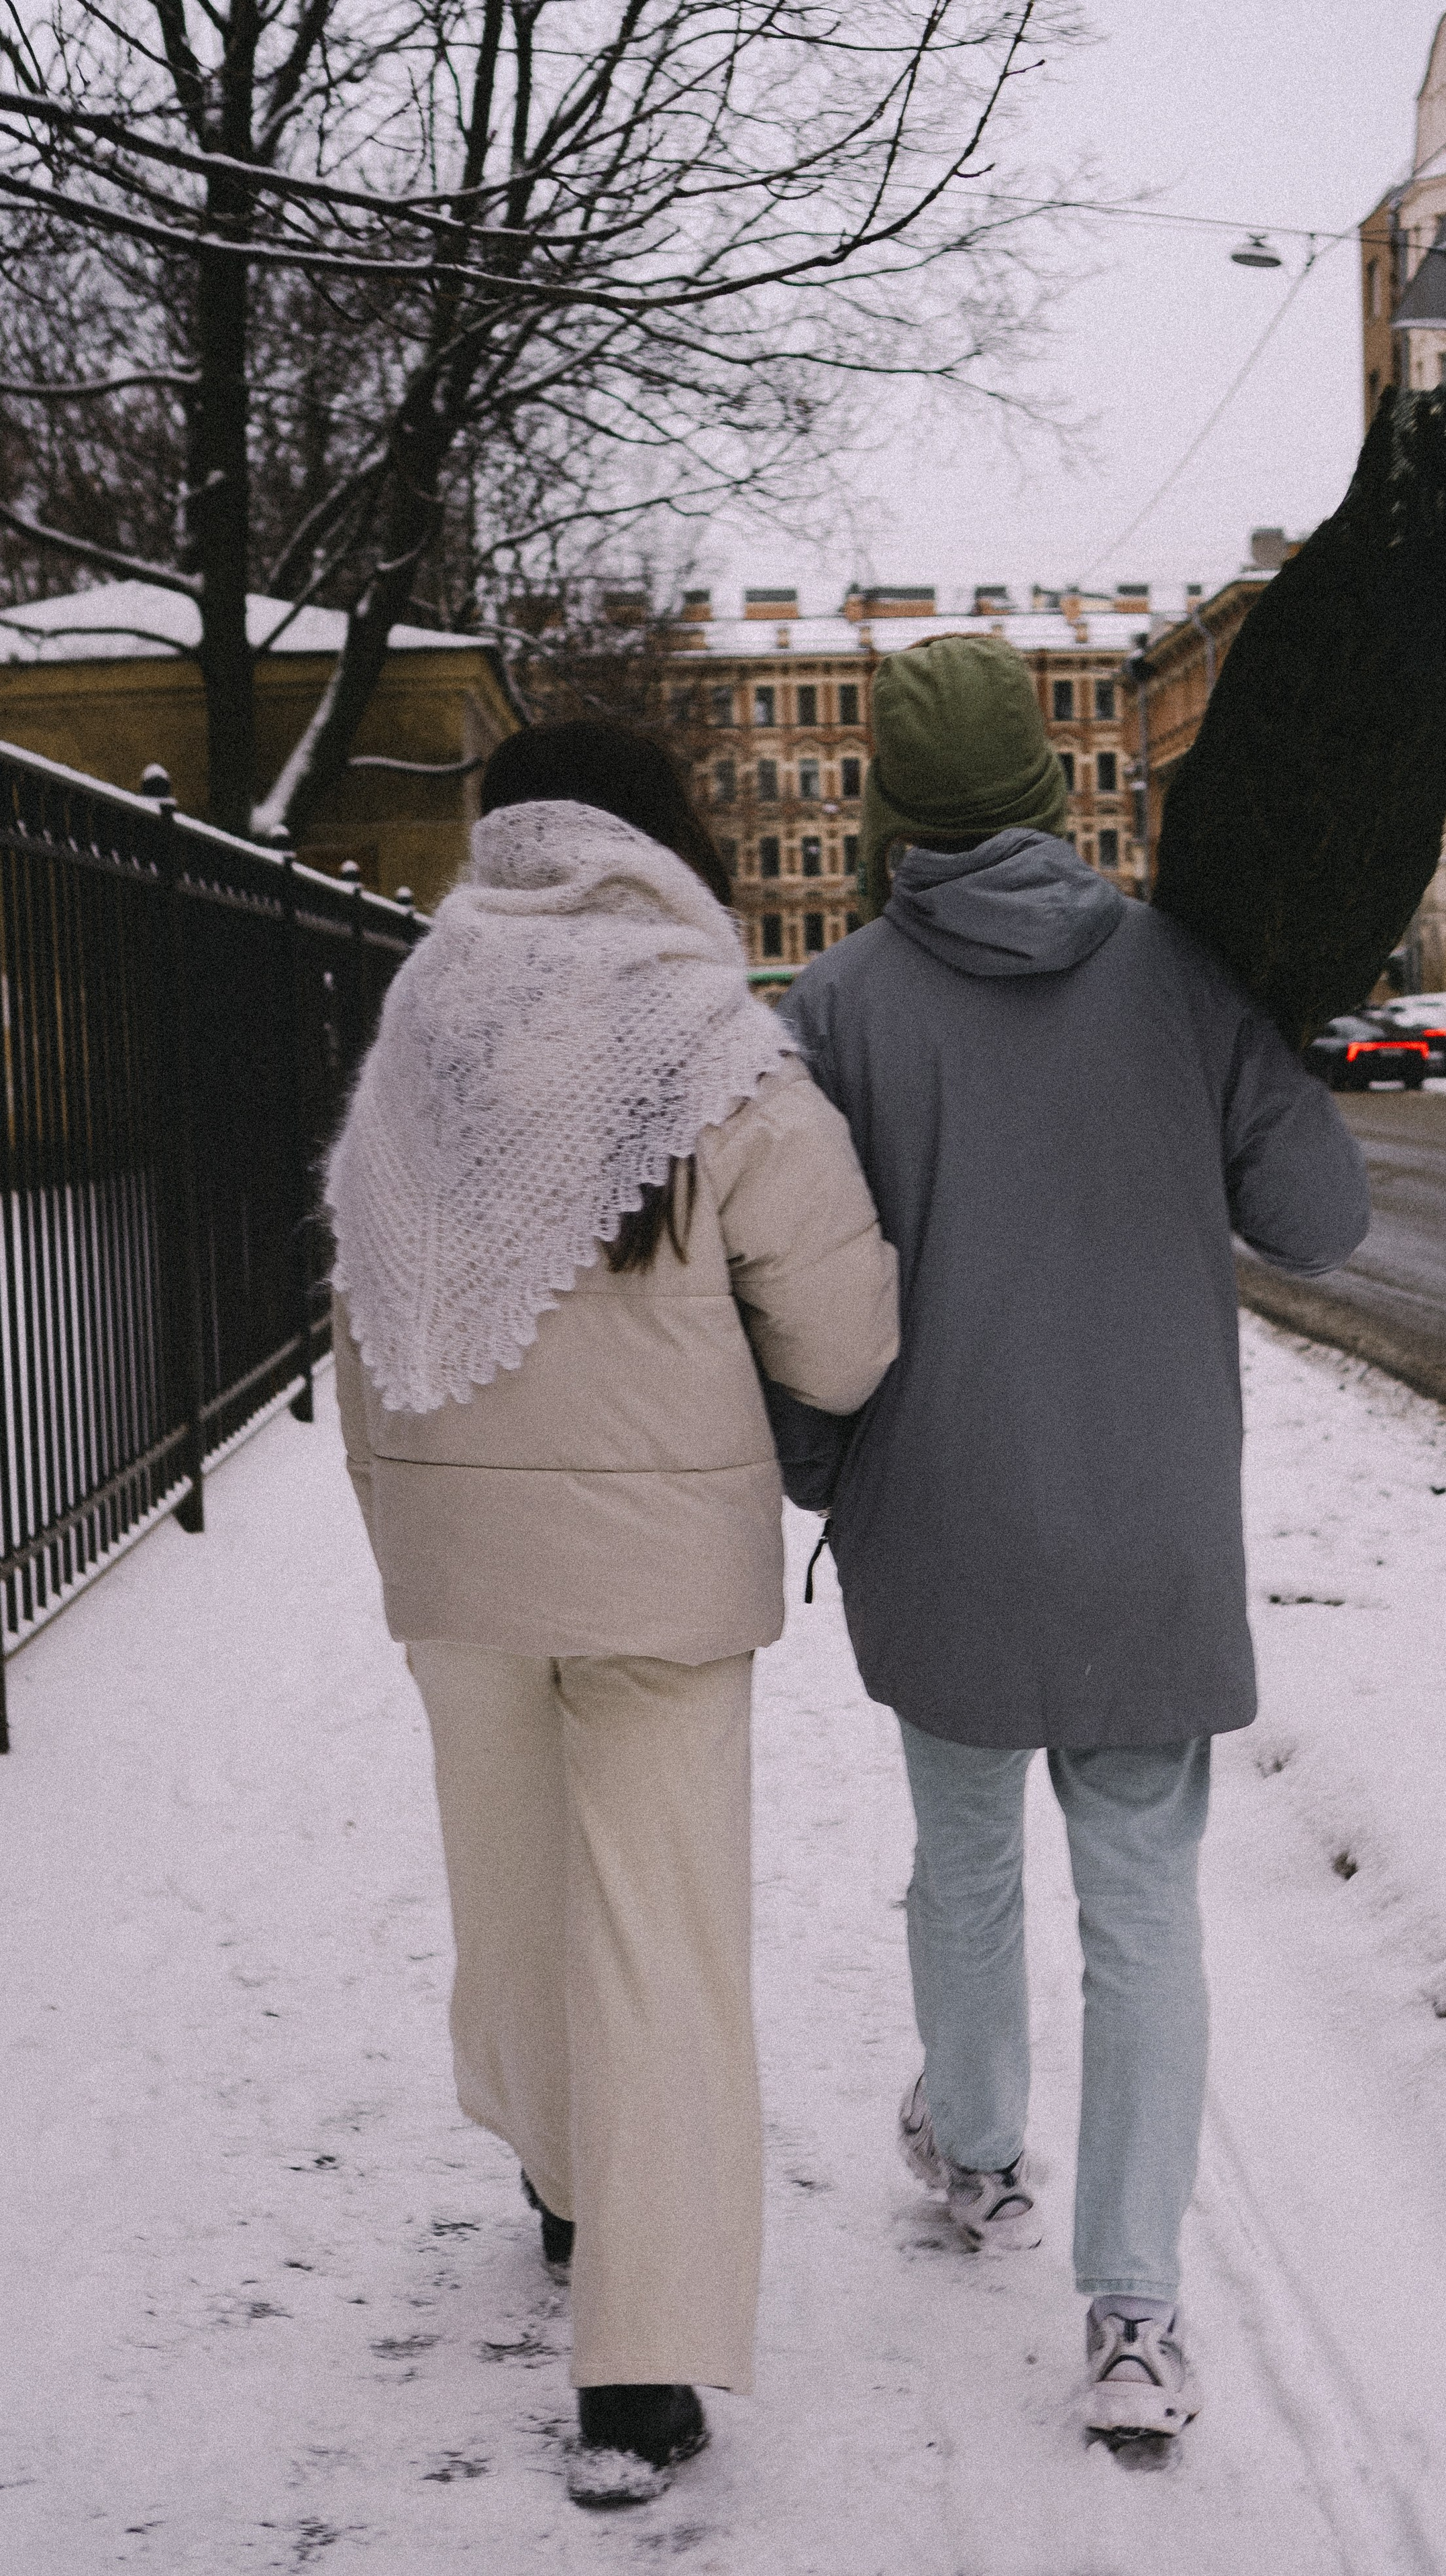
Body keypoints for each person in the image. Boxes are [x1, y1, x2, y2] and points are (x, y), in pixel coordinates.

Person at [773, 635, 1370, 2446]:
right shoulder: (1188, 980)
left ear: (888, 803)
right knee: (1143, 1908)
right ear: (1052, 785)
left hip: (943, 1523)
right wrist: (1280, 1045)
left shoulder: (839, 1006)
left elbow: (802, 1294)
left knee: (961, 1864)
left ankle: (975, 2157)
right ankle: (1131, 2314)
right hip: (1149, 1536)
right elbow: (1323, 1224)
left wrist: (820, 1472)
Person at [327, 720, 898, 2507]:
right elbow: (843, 1335)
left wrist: (407, 1524)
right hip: (662, 1575)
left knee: (511, 1900)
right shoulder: (721, 1047)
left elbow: (365, 1309)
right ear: (663, 845)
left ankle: (569, 2183)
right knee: (659, 1937)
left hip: (462, 1568)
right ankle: (641, 2378)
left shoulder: (423, 1032)